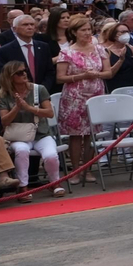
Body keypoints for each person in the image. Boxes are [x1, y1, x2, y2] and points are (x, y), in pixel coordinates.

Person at [54, 13, 113, 179]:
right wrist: (81, 76)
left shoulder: (100, 49)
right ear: (74, 32)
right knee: (75, 135)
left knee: (91, 134)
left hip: (95, 94)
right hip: (74, 97)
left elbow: (108, 72)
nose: (88, 33)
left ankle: (88, 169)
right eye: (83, 30)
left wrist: (97, 74)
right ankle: (75, 170)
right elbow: (60, 77)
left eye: (89, 30)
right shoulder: (66, 52)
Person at [0, 60, 63, 197]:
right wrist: (17, 107)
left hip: (41, 133)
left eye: (24, 70)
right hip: (19, 136)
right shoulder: (4, 95)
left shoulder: (39, 89)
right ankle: (23, 187)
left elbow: (50, 113)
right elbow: (5, 121)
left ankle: (54, 182)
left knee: (51, 155)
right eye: (19, 73)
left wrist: (29, 108)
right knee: (21, 151)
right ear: (10, 77)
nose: (24, 74)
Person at [0, 13, 56, 89]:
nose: (30, 27)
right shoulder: (5, 51)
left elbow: (50, 72)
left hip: (42, 91)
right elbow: (3, 76)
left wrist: (42, 89)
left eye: (32, 24)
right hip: (17, 93)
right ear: (15, 29)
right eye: (25, 25)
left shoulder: (43, 47)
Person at [100, 21, 133, 92]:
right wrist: (120, 60)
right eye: (123, 32)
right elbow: (109, 74)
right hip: (114, 88)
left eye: (127, 32)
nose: (126, 34)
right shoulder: (107, 52)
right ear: (114, 35)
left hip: (131, 87)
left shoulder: (132, 49)